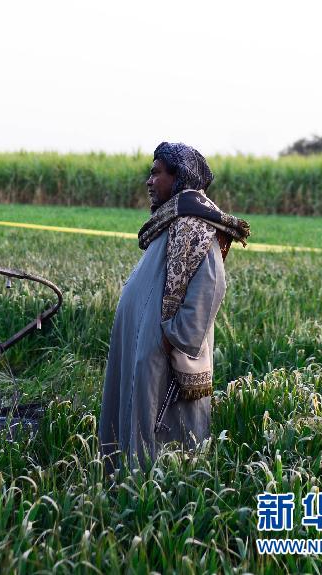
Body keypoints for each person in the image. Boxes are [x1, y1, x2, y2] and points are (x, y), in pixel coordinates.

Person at [99, 142, 250, 469]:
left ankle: (156, 502)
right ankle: (126, 488)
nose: (149, 182)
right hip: (146, 350)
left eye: (156, 173)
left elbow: (211, 286)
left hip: (163, 355)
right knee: (135, 427)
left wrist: (171, 338)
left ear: (178, 176)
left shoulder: (196, 226)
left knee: (162, 441)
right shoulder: (171, 221)